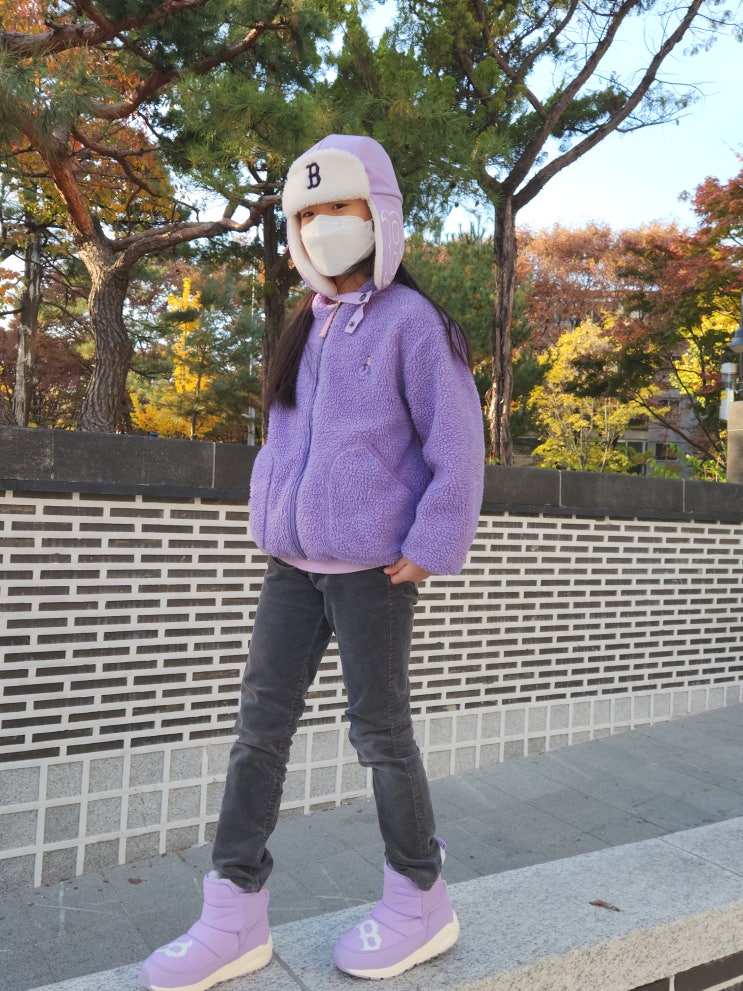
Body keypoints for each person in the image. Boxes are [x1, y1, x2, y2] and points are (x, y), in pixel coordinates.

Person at [139, 134, 485, 991]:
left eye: (340, 207)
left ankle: (420, 896)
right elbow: (286, 441)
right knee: (259, 729)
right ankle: (233, 912)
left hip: (372, 570)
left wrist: (428, 547)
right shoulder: (307, 324)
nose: (324, 225)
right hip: (291, 565)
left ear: (379, 214)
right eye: (308, 212)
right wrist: (272, 514)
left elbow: (457, 445)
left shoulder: (413, 323)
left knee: (379, 731)